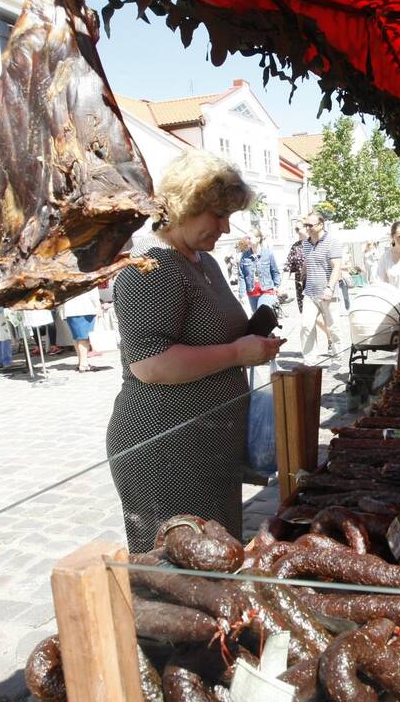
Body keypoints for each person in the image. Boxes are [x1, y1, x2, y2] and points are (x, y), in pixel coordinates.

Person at [106, 149, 285, 550]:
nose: (225, 227)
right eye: (217, 215)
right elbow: (150, 364)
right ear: (188, 204)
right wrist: (238, 354)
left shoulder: (203, 260)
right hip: (166, 448)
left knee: (217, 556)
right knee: (178, 574)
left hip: (209, 444)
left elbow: (212, 333)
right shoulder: (150, 265)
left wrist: (253, 337)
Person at [299, 210, 344, 365]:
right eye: (306, 225)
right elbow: (308, 262)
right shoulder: (305, 243)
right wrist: (301, 276)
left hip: (328, 293)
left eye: (310, 225)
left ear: (321, 224)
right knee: (306, 325)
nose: (307, 228)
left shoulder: (332, 242)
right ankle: (310, 360)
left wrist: (330, 288)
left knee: (333, 328)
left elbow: (337, 267)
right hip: (310, 293)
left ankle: (337, 357)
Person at [239, 230, 281, 313]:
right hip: (252, 292)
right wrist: (242, 294)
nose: (247, 240)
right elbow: (241, 276)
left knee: (261, 313)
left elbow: (275, 272)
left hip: (267, 290)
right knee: (259, 320)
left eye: (249, 238)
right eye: (247, 238)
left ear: (258, 239)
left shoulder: (268, 254)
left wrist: (276, 286)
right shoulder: (244, 256)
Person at [61, 288, 101, 372]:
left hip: (70, 310)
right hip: (85, 308)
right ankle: (84, 364)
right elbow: (93, 294)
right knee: (84, 338)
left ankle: (81, 362)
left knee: (77, 338)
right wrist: (98, 307)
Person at [286, 224, 307, 314]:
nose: (296, 230)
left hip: (315, 283)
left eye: (299, 227)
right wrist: (283, 285)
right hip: (300, 284)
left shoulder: (315, 243)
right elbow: (288, 266)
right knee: (304, 313)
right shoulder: (295, 246)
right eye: (295, 228)